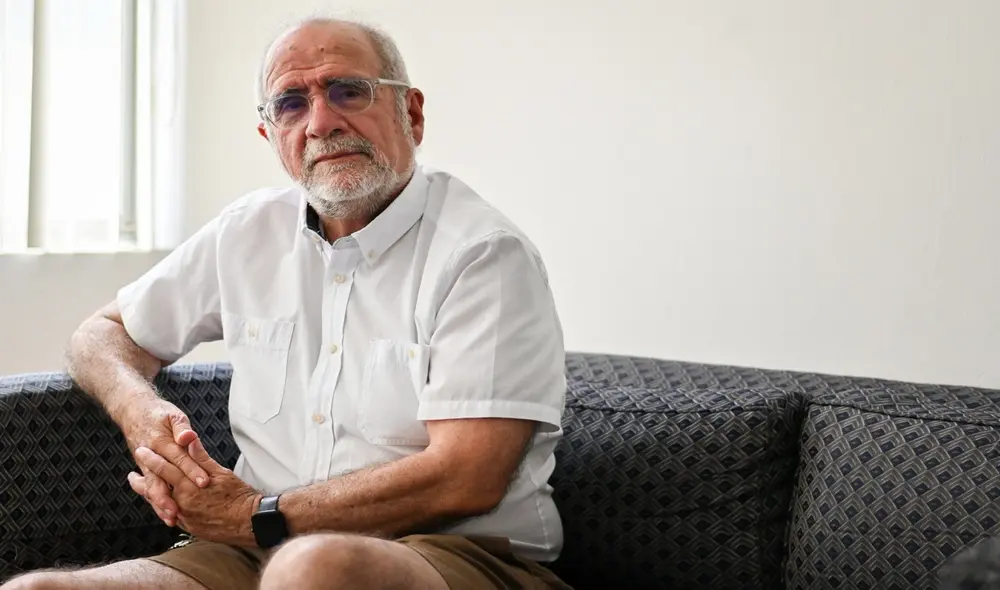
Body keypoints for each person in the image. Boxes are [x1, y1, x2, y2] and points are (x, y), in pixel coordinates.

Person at [1, 16, 570, 590]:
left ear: (412, 114)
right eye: (291, 104)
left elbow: (466, 476)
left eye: (349, 91)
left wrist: (254, 515)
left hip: (454, 556)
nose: (321, 122)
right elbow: (101, 334)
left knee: (315, 568)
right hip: (252, 551)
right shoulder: (246, 233)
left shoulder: (483, 254)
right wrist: (141, 414)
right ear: (271, 136)